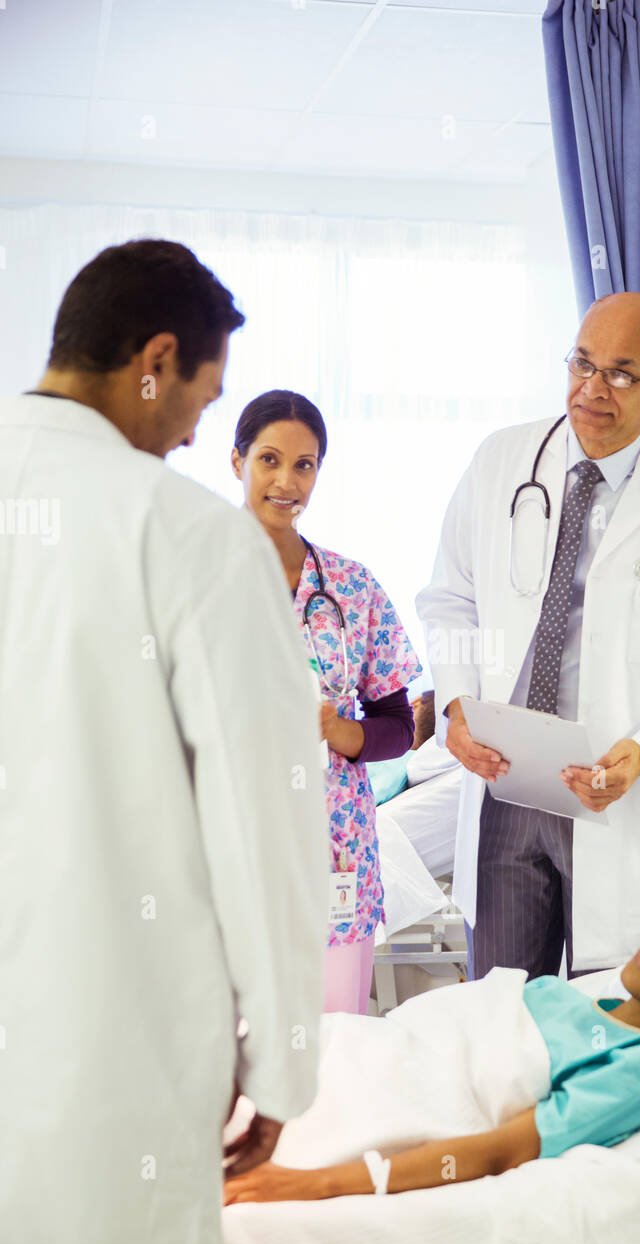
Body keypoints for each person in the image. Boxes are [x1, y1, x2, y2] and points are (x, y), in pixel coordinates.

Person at [0, 240, 330, 1244]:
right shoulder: (193, 539)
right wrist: (283, 1060)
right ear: (155, 358)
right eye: (203, 397)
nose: (197, 431)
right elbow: (266, 821)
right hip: (114, 1045)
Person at [416, 292, 640, 980]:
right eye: (581, 364)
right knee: (502, 1018)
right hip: (506, 785)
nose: (591, 390)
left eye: (619, 373)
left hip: (616, 800)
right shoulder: (500, 462)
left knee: (609, 1025)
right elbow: (449, 598)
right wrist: (456, 701)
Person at [223, 902, 640, 1203]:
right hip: (353, 1051)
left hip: (366, 1104)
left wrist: (317, 1184)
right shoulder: (566, 998)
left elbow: (496, 1151)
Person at [231, 390, 422, 1014]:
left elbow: (399, 724)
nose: (287, 481)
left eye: (305, 464)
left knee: (336, 1047)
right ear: (238, 462)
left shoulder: (351, 586)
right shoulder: (194, 575)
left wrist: (346, 733)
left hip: (335, 845)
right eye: (269, 460)